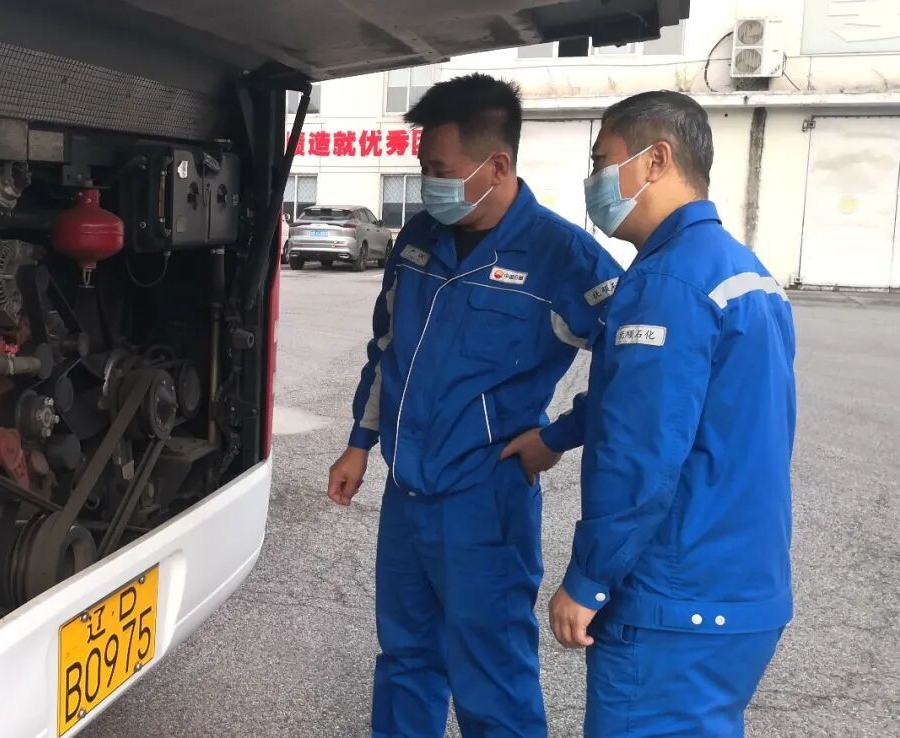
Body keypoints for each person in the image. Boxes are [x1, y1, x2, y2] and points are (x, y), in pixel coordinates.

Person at [326, 73, 622, 738]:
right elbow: (387, 348)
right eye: (423, 169)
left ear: (498, 166)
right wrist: (359, 443)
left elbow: (637, 368)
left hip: (485, 500)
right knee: (406, 659)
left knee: (492, 677)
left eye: (441, 171)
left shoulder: (563, 257)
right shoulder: (419, 239)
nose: (428, 184)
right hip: (407, 490)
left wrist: (559, 435)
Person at [545, 90, 796, 737]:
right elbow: (667, 403)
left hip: (675, 603)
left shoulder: (667, 282)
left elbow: (642, 451)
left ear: (655, 161)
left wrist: (589, 579)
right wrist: (556, 436)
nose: (594, 180)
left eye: (602, 160)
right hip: (745, 593)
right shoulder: (746, 274)